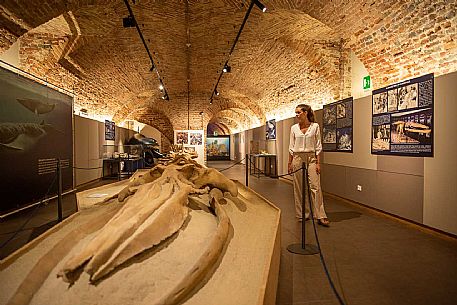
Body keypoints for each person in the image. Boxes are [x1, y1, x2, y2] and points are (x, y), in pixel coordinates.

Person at [288, 104, 330, 227]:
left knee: (315, 187)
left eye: (298, 112)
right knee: (299, 188)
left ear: (305, 113)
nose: (296, 115)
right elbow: (291, 147)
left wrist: (318, 162)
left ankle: (320, 215)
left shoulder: (315, 126)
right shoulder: (294, 128)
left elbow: (318, 146)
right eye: (295, 113)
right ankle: (302, 214)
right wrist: (289, 162)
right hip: (297, 158)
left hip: (311, 158)